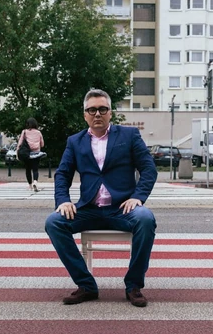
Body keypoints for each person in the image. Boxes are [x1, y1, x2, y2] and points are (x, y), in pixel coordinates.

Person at [45, 89, 157, 307]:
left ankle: (133, 285)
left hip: (122, 209)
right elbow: (63, 174)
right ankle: (86, 285)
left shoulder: (129, 135)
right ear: (85, 114)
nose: (97, 114)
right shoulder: (75, 141)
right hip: (89, 209)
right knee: (54, 222)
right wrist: (63, 200)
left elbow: (148, 169)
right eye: (92, 110)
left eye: (102, 109)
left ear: (110, 113)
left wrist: (138, 197)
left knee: (145, 218)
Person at [17, 118, 45, 192]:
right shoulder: (38, 132)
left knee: (28, 169)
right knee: (35, 169)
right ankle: (35, 181)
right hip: (36, 153)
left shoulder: (24, 132)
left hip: (27, 153)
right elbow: (42, 144)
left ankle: (30, 185)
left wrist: (17, 152)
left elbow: (20, 143)